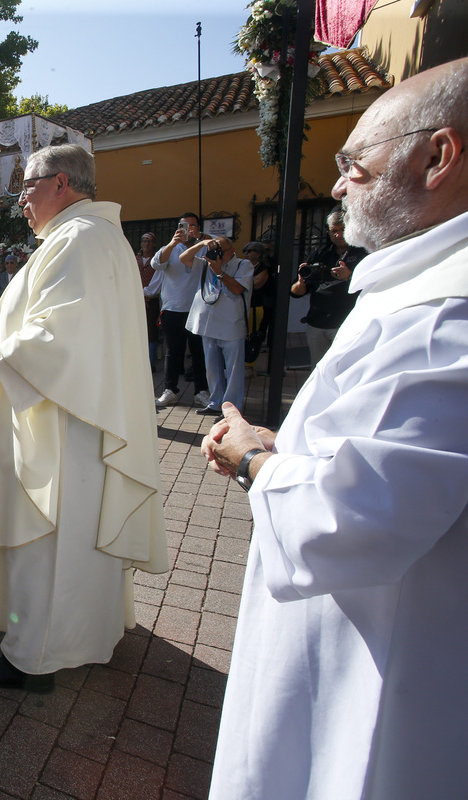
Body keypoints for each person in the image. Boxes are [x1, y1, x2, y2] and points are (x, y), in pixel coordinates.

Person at [201, 56, 468, 800]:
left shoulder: (448, 313)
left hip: (384, 665)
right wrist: (285, 449)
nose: (340, 180)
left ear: (439, 155)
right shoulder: (421, 284)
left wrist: (258, 461)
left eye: (355, 161)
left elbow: (354, 516)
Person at [0, 144, 168, 692]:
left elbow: (60, 338)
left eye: (27, 186)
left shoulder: (79, 239)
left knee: (46, 537)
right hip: (77, 412)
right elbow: (54, 321)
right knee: (74, 540)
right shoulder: (87, 236)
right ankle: (82, 634)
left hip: (63, 425)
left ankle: (35, 658)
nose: (20, 199)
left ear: (62, 182)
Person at [180, 236, 253, 415]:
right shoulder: (205, 263)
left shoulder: (243, 265)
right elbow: (184, 258)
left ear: (231, 251)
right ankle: (215, 403)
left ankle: (231, 409)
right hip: (208, 324)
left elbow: (237, 289)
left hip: (231, 325)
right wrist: (201, 244)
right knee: (212, 368)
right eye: (214, 248)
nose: (217, 253)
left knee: (234, 370)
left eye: (221, 249)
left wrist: (219, 271)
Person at [290, 208, 368, 365]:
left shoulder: (363, 252)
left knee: (344, 369)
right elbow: (295, 292)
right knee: (318, 370)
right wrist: (301, 282)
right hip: (317, 324)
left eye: (342, 230)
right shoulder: (321, 253)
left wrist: (350, 276)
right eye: (334, 231)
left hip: (346, 324)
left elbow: (374, 284)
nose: (338, 235)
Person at [151, 213, 210, 408]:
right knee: (173, 351)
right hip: (172, 308)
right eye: (185, 226)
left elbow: (218, 249)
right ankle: (170, 390)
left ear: (198, 227)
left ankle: (201, 391)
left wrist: (201, 238)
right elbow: (157, 264)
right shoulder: (169, 248)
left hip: (198, 308)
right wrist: (172, 243)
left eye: (193, 226)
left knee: (199, 352)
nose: (189, 229)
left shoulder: (204, 246)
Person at [136, 234, 163, 371]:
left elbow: (157, 283)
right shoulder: (136, 259)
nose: (146, 244)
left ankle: (150, 363)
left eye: (149, 241)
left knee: (152, 332)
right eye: (144, 241)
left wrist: (145, 296)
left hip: (151, 301)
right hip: (135, 299)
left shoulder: (157, 261)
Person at [242, 241, 273, 365]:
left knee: (252, 336)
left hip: (256, 306)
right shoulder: (244, 266)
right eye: (244, 251)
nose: (246, 254)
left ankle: (249, 365)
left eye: (249, 251)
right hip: (243, 305)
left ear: (258, 253)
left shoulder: (263, 268)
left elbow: (254, 285)